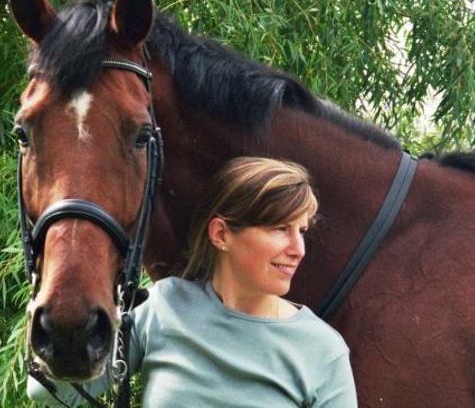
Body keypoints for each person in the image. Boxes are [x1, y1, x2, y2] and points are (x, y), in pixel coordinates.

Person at [28, 156, 358, 407]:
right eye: (279, 229)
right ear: (221, 234)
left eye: (301, 230)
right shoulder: (167, 305)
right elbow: (48, 391)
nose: (298, 250)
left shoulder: (322, 351)